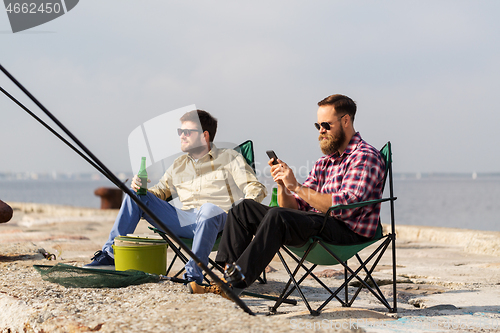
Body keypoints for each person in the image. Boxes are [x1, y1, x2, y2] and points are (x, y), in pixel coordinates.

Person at [190, 94, 385, 296]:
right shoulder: (324, 162)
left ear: (345, 121)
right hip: (319, 224)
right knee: (243, 208)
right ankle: (227, 275)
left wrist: (298, 187)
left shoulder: (365, 156)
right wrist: (283, 185)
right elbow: (292, 209)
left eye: (326, 125)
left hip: (346, 232)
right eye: (318, 126)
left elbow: (343, 206)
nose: (322, 131)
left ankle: (234, 285)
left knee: (277, 216)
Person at [85, 109, 267, 285]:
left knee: (208, 209)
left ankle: (193, 275)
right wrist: (141, 189)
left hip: (220, 221)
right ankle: (109, 255)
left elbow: (255, 188)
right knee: (135, 196)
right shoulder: (179, 165)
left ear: (205, 136)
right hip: (184, 219)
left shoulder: (230, 158)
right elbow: (159, 193)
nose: (182, 135)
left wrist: (240, 213)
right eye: (180, 131)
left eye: (187, 132)